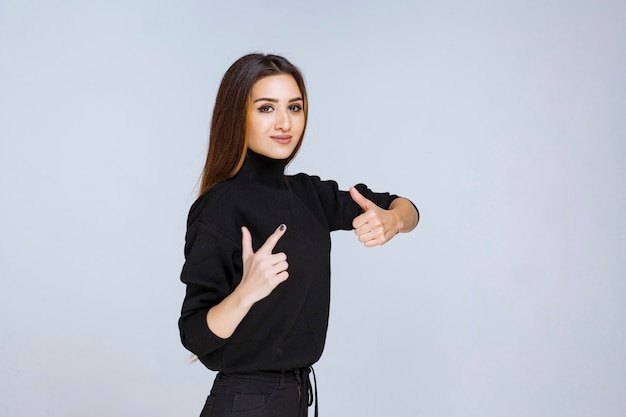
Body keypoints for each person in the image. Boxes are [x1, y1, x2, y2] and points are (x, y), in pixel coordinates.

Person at [178, 53, 419, 417]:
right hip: (246, 400)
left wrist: (393, 221)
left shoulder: (309, 195)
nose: (284, 122)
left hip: (296, 395)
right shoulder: (220, 206)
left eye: (294, 107)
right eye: (265, 108)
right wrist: (245, 293)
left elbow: (404, 207)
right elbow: (194, 334)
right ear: (237, 115)